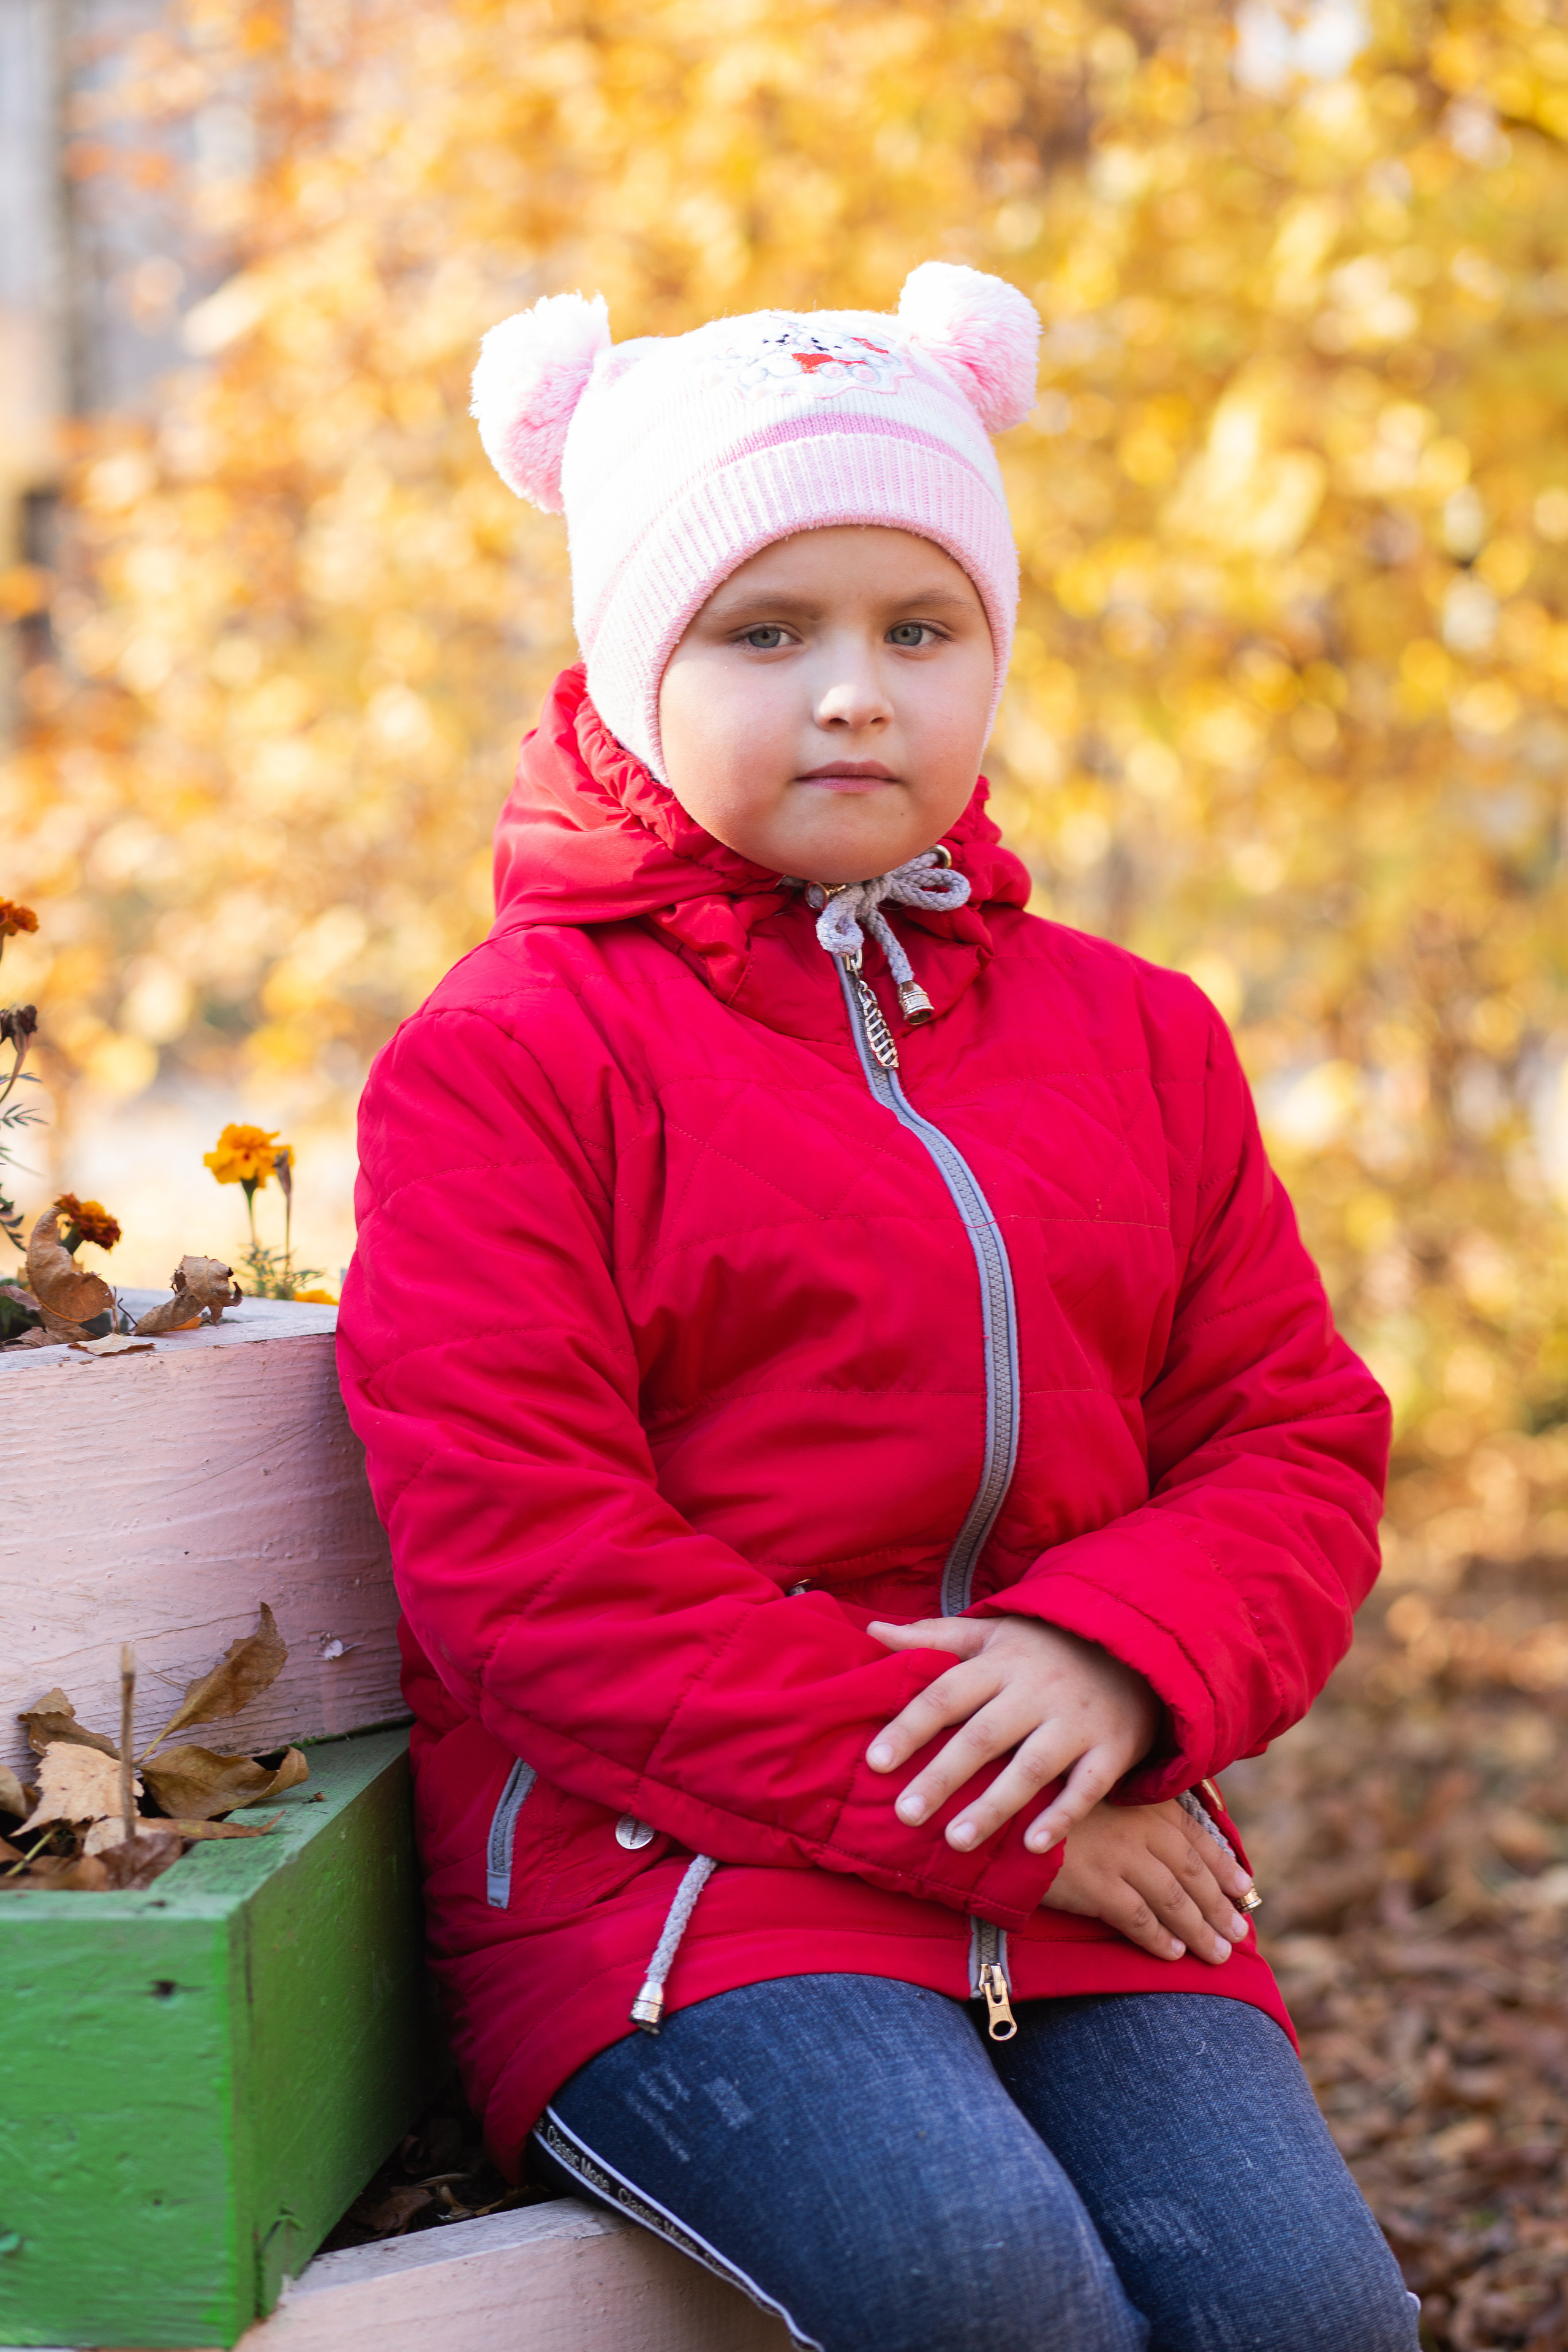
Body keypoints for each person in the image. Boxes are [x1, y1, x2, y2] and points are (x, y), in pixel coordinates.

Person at [337, 263, 1420, 2351]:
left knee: (1312, 2318)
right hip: (677, 1885)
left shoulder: (1139, 1038)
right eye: (767, 632)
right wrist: (999, 1815)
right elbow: (527, 1565)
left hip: (1094, 1836)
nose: (855, 693)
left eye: (921, 629)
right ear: (634, 663)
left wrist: (1114, 1665)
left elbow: (1292, 1440)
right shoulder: (517, 1058)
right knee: (975, 2279)